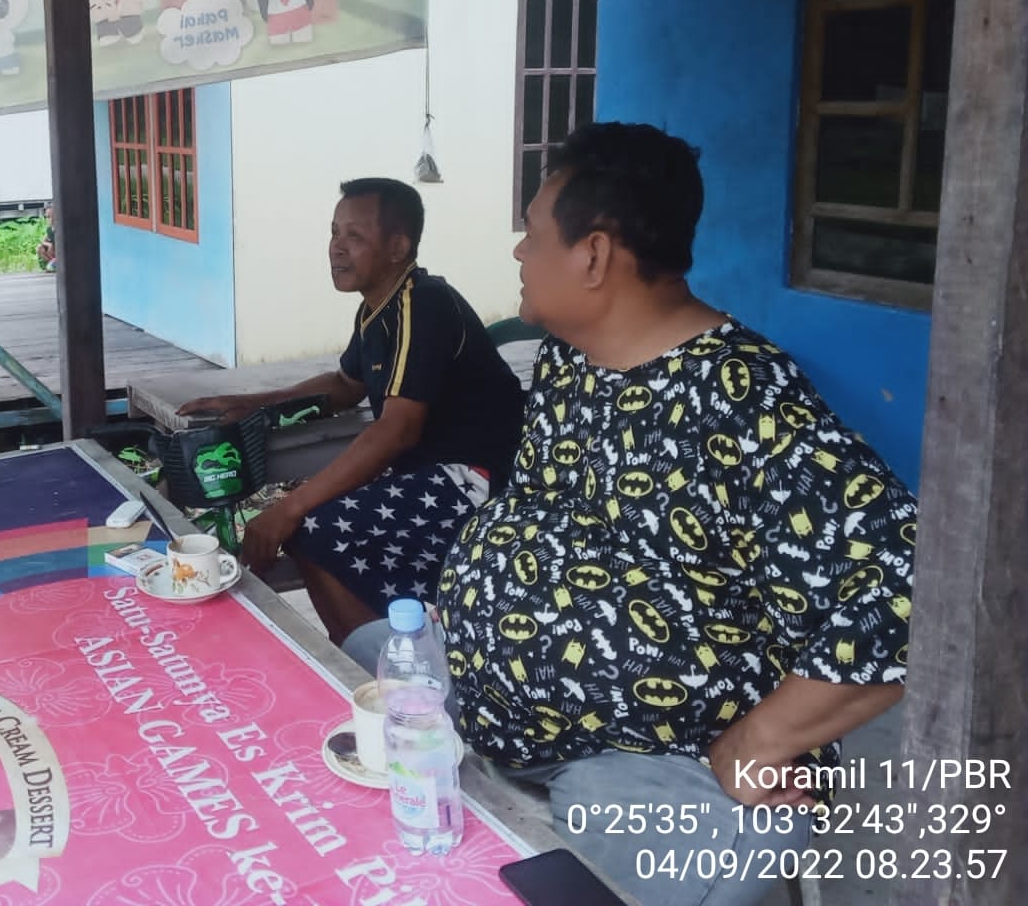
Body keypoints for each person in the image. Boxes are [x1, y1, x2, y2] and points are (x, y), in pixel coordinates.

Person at [431, 123, 915, 906]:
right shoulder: (568, 358)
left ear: (592, 255)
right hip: (505, 725)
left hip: (642, 765)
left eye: (530, 233)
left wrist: (766, 740)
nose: (519, 253)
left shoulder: (741, 398)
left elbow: (909, 586)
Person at [181, 177, 525, 646]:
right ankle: (375, 661)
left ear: (397, 247)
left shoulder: (422, 303)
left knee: (315, 531)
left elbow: (398, 429)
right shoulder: (375, 310)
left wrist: (288, 507)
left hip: (485, 478)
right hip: (434, 477)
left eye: (355, 236)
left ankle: (378, 670)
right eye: (334, 232)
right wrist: (254, 403)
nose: (336, 248)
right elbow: (346, 385)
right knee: (318, 533)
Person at [37, 202, 56, 272]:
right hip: (54, 254)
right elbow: (42, 241)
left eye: (50, 217)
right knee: (40, 247)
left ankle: (55, 264)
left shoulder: (60, 228)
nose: (48, 219)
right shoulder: (49, 229)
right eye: (47, 217)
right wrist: (49, 244)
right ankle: (52, 263)